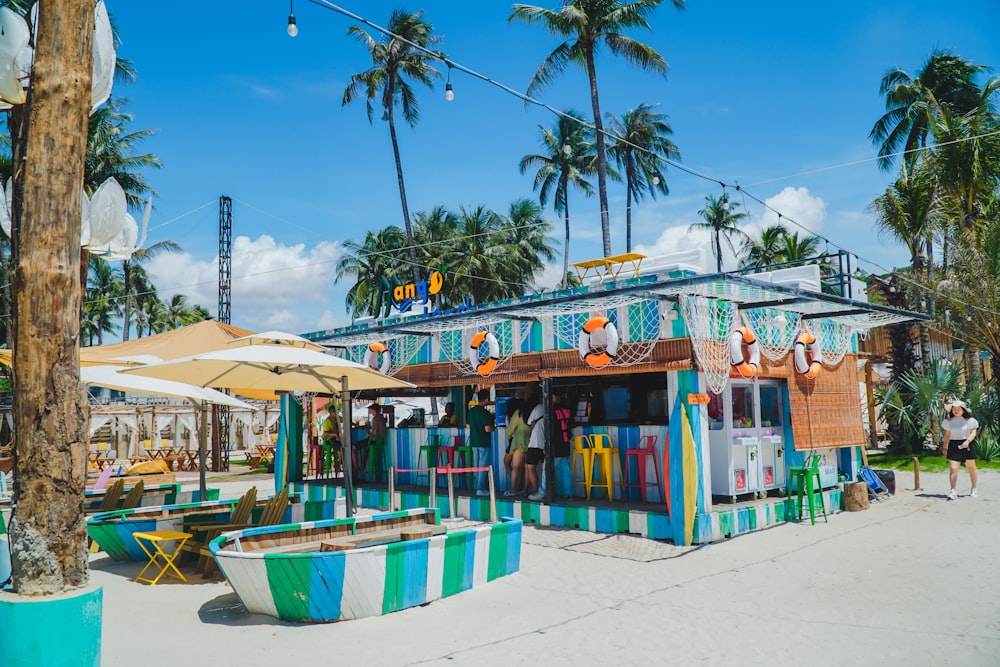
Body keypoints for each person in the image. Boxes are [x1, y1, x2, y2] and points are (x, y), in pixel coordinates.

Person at [941, 399, 979, 499]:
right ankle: (953, 490)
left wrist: (968, 441)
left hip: (967, 443)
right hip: (954, 444)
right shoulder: (948, 422)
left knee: (971, 467)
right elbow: (947, 434)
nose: (956, 411)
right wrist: (945, 446)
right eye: (954, 409)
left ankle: (974, 488)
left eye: (958, 409)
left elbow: (973, 432)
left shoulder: (970, 421)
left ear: (963, 410)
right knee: (953, 468)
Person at [466, 389, 495, 496]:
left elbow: (468, 426)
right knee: (483, 465)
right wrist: (493, 428)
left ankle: (477, 486)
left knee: (476, 465)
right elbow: (488, 429)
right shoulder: (485, 413)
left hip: (474, 442)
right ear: (487, 399)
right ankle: (480, 488)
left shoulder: (472, 411)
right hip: (483, 442)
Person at [502, 397, 532, 497]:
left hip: (519, 441)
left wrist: (509, 437)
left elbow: (511, 429)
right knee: (527, 467)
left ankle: (513, 489)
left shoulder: (518, 413)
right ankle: (525, 489)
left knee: (516, 467)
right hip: (530, 440)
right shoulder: (532, 412)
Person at [354, 404, 387, 481]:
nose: (370, 411)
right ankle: (362, 467)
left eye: (370, 410)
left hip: (373, 440)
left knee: (353, 447)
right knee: (366, 449)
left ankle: (356, 468)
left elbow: (375, 432)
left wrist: (368, 432)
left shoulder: (375, 419)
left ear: (374, 411)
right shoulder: (381, 417)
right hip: (380, 441)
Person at [552, 393, 574, 499]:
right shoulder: (566, 409)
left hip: (556, 443)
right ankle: (568, 493)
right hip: (566, 443)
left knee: (549, 469)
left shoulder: (551, 410)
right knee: (566, 470)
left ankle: (546, 492)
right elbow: (572, 426)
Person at [524, 395, 546, 501]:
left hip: (535, 442)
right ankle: (544, 490)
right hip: (546, 443)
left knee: (530, 467)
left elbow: (529, 423)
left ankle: (536, 491)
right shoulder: (550, 408)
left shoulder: (538, 408)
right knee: (544, 468)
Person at [320, 404, 341, 475]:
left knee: (345, 445)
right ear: (330, 413)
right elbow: (324, 433)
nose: (336, 413)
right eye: (334, 412)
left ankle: (339, 463)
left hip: (336, 438)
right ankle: (338, 464)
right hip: (329, 440)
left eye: (336, 412)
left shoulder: (338, 418)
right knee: (342, 447)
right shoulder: (327, 421)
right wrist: (334, 435)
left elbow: (345, 419)